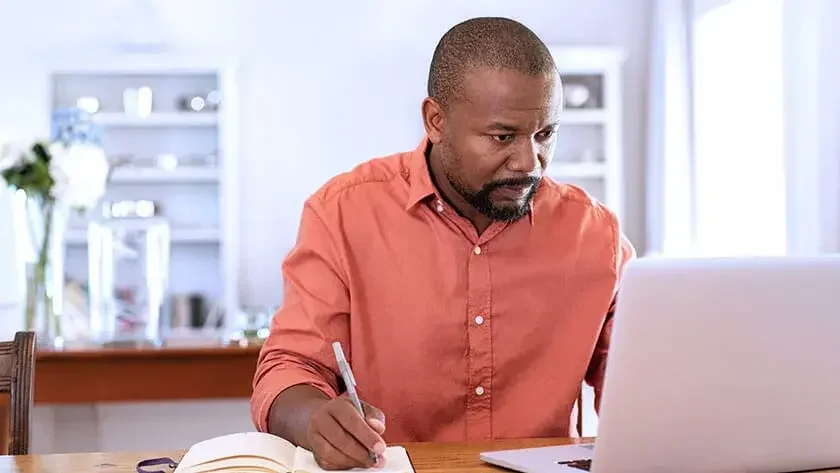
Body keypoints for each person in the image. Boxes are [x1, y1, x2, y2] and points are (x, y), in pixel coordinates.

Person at [251, 16, 635, 470]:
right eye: (502, 136)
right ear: (436, 121)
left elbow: (641, 391)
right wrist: (315, 419)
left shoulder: (597, 237)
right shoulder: (341, 214)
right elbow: (289, 366)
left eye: (545, 134)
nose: (530, 162)